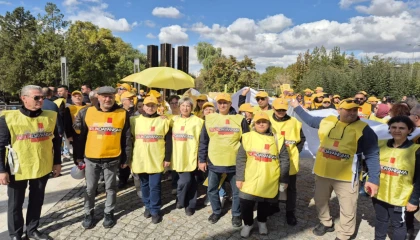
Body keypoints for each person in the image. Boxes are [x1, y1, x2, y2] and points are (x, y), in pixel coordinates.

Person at [289, 98, 380, 240]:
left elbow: (372, 154)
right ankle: (326, 222)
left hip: (347, 176)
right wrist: (296, 106)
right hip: (323, 172)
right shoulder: (328, 121)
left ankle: (344, 235)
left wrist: (374, 179)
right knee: (320, 200)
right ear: (339, 110)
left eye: (355, 110)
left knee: (348, 208)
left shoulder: (364, 129)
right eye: (348, 110)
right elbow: (310, 120)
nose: (352, 113)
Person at [0, 85, 61, 240]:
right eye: (36, 98)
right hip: (17, 168)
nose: (41, 100)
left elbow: (57, 141)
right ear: (24, 98)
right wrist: (1, 170)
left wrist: (57, 163)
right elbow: (0, 145)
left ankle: (32, 229)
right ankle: (16, 234)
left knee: (37, 200)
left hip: (42, 165)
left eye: (42, 97)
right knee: (15, 204)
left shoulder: (51, 115)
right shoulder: (8, 118)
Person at [76, 86, 132, 229]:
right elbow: (80, 137)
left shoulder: (123, 113)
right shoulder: (86, 112)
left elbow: (126, 138)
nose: (108, 99)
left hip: (112, 157)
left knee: (111, 188)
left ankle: (109, 212)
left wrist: (126, 158)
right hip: (91, 157)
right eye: (104, 96)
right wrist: (77, 156)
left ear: (115, 98)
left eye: (111, 96)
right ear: (98, 97)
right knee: (90, 188)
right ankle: (88, 213)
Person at [198, 93, 250, 227]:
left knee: (237, 191)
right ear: (217, 104)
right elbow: (204, 141)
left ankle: (236, 214)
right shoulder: (209, 119)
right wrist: (202, 159)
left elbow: (247, 142)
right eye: (220, 103)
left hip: (234, 162)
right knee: (212, 189)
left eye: (225, 102)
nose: (222, 105)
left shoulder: (240, 119)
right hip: (215, 160)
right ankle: (216, 211)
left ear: (230, 103)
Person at [236, 112, 290, 237]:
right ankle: (248, 224)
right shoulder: (247, 137)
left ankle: (262, 222)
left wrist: (284, 179)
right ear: (254, 124)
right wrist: (239, 177)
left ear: (269, 124)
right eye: (258, 122)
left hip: (269, 177)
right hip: (249, 177)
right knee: (245, 203)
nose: (261, 124)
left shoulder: (278, 139)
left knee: (264, 204)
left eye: (264, 122)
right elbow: (240, 159)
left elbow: (284, 160)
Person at [373, 116, 420, 240]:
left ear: (409, 130)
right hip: (379, 194)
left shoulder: (416, 150)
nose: (397, 130)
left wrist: (414, 200)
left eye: (402, 128)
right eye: (393, 127)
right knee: (380, 220)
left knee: (398, 225)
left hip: (401, 198)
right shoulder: (381, 145)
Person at [130, 95, 171, 224]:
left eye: (153, 105)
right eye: (148, 105)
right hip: (140, 158)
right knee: (144, 185)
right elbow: (129, 139)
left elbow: (168, 141)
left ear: (157, 107)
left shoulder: (164, 121)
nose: (150, 108)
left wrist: (167, 158)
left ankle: (155, 210)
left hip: (156, 158)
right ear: (143, 107)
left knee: (155, 186)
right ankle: (147, 205)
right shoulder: (134, 120)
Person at [269, 98, 306, 226]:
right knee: (273, 184)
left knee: (291, 188)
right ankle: (273, 206)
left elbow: (302, 139)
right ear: (273, 108)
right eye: (278, 109)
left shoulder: (295, 122)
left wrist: (296, 151)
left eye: (283, 109)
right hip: (272, 160)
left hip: (290, 160)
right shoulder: (268, 122)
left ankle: (290, 212)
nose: (280, 112)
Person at [171, 97, 204, 216]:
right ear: (179, 107)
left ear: (192, 108)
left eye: (188, 106)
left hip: (192, 156)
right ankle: (181, 199)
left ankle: (190, 205)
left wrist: (201, 157)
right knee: (185, 181)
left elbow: (202, 140)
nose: (185, 108)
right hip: (178, 156)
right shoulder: (173, 120)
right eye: (183, 105)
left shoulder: (198, 121)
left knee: (192, 181)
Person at [118, 91, 137, 188]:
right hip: (124, 139)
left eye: (132, 99)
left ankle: (135, 176)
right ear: (123, 101)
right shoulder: (119, 111)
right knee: (124, 158)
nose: (131, 100)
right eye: (129, 99)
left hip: (135, 139)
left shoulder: (135, 110)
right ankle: (123, 179)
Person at [64, 91, 87, 165]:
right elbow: (67, 123)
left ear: (82, 97)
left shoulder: (88, 107)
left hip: (88, 132)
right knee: (77, 151)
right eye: (75, 96)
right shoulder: (70, 108)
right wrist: (69, 135)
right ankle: (79, 165)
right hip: (76, 133)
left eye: (79, 96)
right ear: (72, 99)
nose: (77, 98)